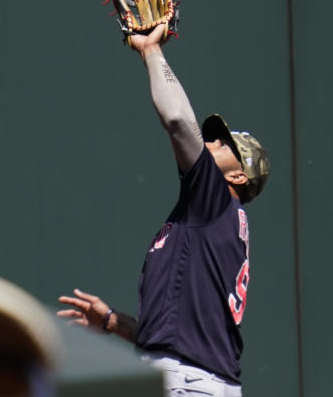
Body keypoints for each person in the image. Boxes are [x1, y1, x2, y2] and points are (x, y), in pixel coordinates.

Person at [57, 22, 270, 395]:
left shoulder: (214, 200)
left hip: (189, 383)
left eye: (226, 144)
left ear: (238, 178)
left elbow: (177, 120)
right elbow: (182, 334)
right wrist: (113, 322)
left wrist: (150, 50)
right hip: (198, 380)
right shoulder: (207, 221)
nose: (215, 141)